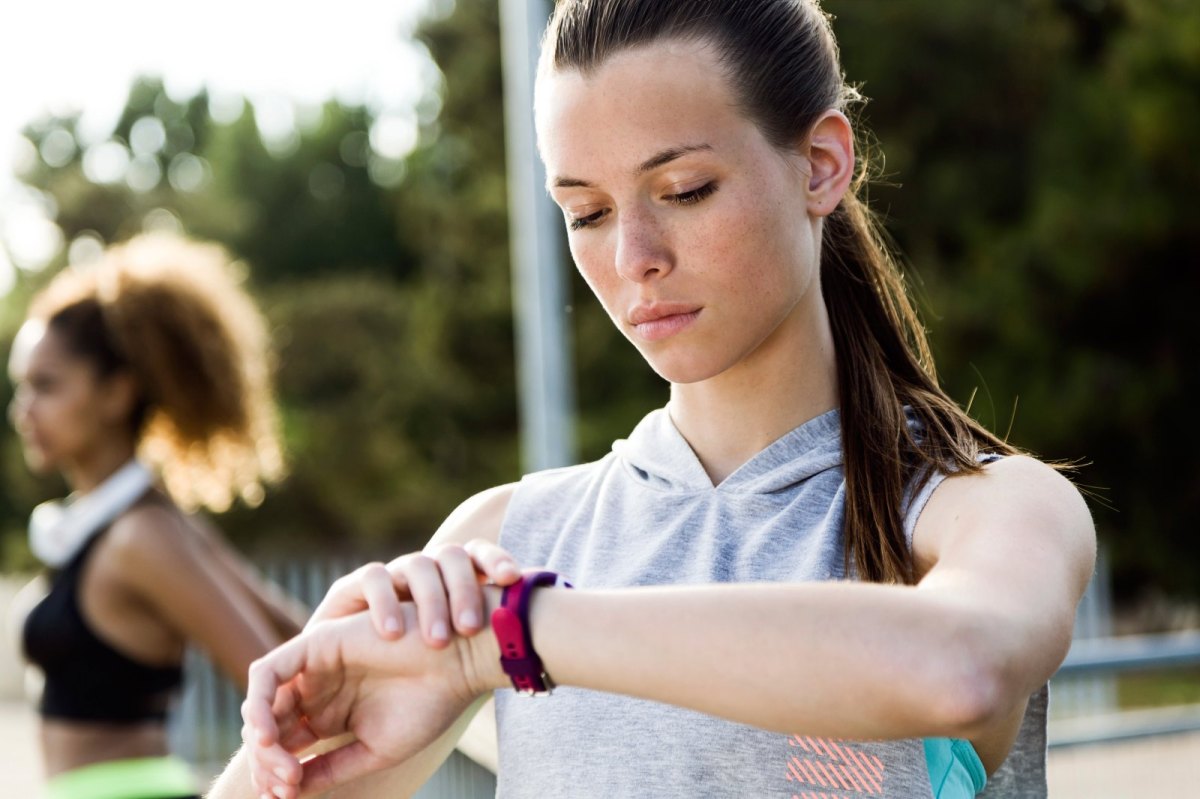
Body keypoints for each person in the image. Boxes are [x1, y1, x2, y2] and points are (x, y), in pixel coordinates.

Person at [218, 1, 1097, 797]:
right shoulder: (502, 545)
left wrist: (515, 637)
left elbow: (961, 669)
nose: (634, 254)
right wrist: (302, 748)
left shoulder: (982, 506)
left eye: (684, 191)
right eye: (586, 213)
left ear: (822, 165)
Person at [9, 233, 307, 799]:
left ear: (117, 394)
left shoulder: (140, 536)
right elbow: (289, 632)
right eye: (20, 388)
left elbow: (287, 693)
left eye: (45, 385)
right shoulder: (120, 523)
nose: (24, 410)